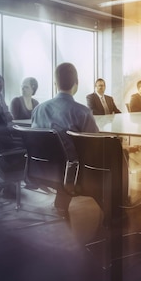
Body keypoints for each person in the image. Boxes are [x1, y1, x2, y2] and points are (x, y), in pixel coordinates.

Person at [31, 63, 100, 215]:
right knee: (119, 156)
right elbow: (96, 146)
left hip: (42, 169)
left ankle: (61, 204)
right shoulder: (82, 112)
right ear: (77, 84)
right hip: (71, 173)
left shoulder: (39, 109)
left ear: (55, 84)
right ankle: (115, 211)